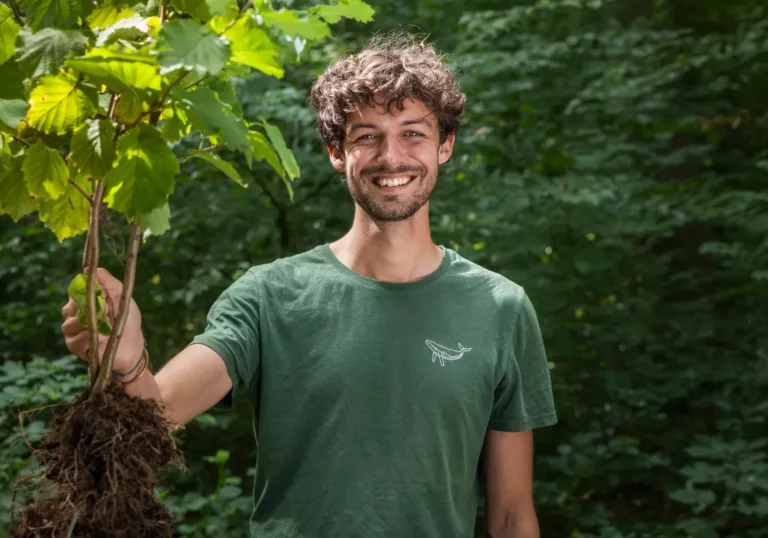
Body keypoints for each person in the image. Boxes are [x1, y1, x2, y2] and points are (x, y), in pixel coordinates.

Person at [61, 33, 557, 538]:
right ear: (336, 152)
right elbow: (159, 413)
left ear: (444, 145)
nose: (391, 156)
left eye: (413, 133)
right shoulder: (269, 295)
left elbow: (512, 516)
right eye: (367, 136)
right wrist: (127, 360)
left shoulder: (500, 308)